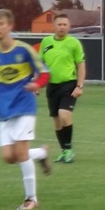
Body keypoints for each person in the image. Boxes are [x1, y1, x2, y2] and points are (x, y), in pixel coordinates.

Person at [0, 9, 53, 210]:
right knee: (9, 157)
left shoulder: (24, 50)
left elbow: (44, 72)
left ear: (10, 26)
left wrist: (36, 85)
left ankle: (31, 199)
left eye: (1, 24)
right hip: (4, 111)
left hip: (25, 106)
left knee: (21, 152)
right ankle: (41, 153)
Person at [39, 12, 86, 163]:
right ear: (54, 26)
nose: (62, 27)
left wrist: (79, 86)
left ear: (69, 26)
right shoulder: (46, 42)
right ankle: (64, 151)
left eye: (65, 24)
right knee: (57, 120)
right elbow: (40, 64)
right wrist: (37, 84)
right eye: (59, 24)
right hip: (52, 86)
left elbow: (81, 65)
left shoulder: (74, 43)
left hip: (69, 84)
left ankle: (69, 150)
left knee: (64, 115)